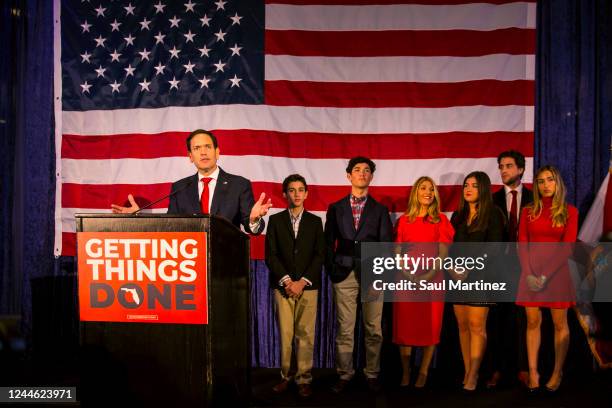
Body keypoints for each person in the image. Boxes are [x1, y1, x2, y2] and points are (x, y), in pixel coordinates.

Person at [111, 129, 272, 233]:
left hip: (226, 267)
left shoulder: (239, 185)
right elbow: (169, 226)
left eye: (208, 147)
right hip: (190, 264)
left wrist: (254, 220)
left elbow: (253, 229)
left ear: (217, 152)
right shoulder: (180, 187)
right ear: (190, 157)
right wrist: (138, 217)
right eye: (197, 148)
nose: (203, 152)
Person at [325, 157, 393, 393]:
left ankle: (372, 373)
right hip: (344, 275)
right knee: (345, 328)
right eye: (357, 170)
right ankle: (345, 374)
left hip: (373, 275)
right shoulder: (335, 208)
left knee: (373, 328)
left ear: (371, 177)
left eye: (367, 170)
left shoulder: (381, 210)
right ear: (348, 176)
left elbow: (386, 245)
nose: (362, 173)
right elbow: (327, 243)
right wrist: (332, 268)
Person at [516, 165, 578, 392]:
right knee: (532, 322)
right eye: (540, 181)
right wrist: (530, 273)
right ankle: (533, 371)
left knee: (560, 323)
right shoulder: (528, 211)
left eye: (550, 180)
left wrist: (544, 275)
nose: (545, 184)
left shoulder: (570, 211)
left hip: (557, 274)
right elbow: (522, 244)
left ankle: (557, 372)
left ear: (557, 182)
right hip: (530, 274)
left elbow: (567, 247)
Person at [265, 174, 325, 398]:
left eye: (301, 190)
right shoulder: (275, 220)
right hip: (283, 287)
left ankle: (304, 379)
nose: (297, 194)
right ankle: (285, 376)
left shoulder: (315, 222)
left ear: (307, 194)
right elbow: (271, 255)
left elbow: (320, 255)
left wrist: (302, 281)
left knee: (306, 334)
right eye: (292, 190)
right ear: (285, 194)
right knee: (286, 334)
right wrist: (288, 280)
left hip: (308, 287)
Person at [393, 177, 454, 388]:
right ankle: (406, 372)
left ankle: (424, 372)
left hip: (433, 280)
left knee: (430, 326)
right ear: (415, 193)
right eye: (423, 188)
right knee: (405, 328)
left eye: (431, 189)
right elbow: (398, 253)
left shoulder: (442, 221)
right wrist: (409, 275)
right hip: (406, 281)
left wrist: (426, 277)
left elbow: (443, 255)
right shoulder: (403, 221)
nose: (428, 192)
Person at [450, 171, 504, 392]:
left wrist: (469, 267)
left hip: (482, 277)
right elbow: (451, 248)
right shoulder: (458, 215)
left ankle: (474, 373)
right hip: (458, 279)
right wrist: (453, 268)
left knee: (476, 326)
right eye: (466, 185)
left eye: (473, 185)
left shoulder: (493, 213)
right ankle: (467, 370)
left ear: (483, 188)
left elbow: (494, 248)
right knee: (462, 327)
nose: (468, 189)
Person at [488, 150, 534, 388]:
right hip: (498, 268)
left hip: (528, 267)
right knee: (496, 320)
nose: (503, 170)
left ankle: (524, 368)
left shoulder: (534, 198)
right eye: (501, 166)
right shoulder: (491, 200)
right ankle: (496, 369)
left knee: (525, 320)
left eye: (508, 166)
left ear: (521, 169)